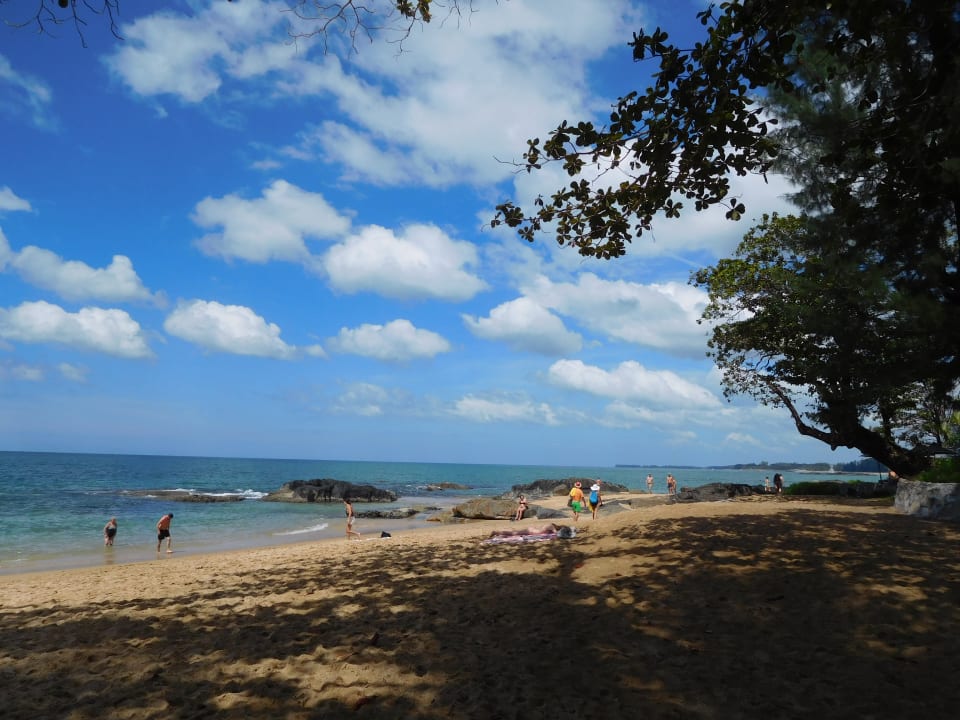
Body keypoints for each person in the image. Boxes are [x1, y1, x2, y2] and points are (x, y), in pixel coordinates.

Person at [489, 523, 574, 539]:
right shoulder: (552, 527)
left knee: (514, 533)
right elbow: (557, 534)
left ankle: (499, 533)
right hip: (531, 531)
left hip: (532, 530)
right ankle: (496, 532)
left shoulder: (551, 526)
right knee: (513, 533)